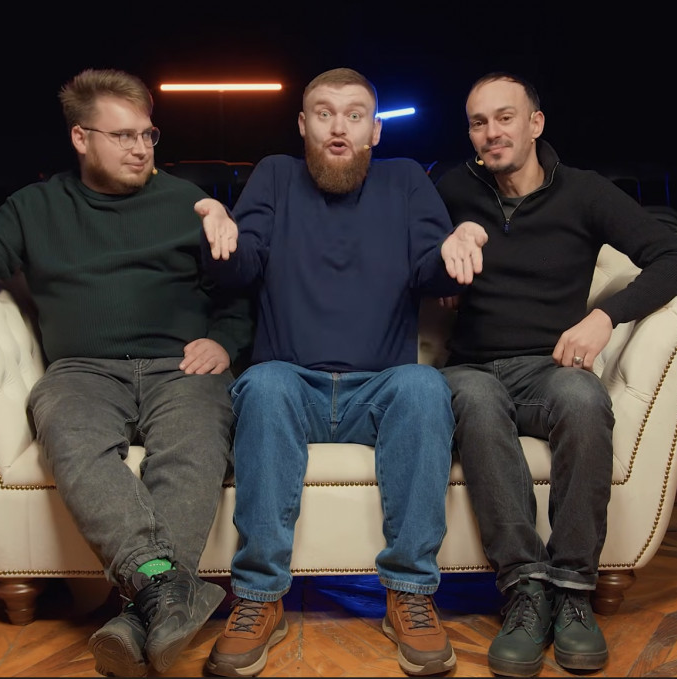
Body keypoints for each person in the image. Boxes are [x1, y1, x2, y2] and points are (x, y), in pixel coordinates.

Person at [0, 68, 253, 678]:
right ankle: (166, 591)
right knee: (68, 432)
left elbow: (237, 293)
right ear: (81, 138)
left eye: (148, 134)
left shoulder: (187, 203)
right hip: (83, 371)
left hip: (182, 365)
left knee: (194, 444)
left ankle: (142, 606)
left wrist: (223, 341)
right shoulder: (37, 206)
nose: (141, 148)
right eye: (123, 136)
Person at [195, 67, 488, 678]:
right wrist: (221, 235)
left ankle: (409, 594)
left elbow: (432, 269)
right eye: (324, 114)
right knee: (263, 383)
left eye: (355, 116)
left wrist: (455, 246)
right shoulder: (275, 175)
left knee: (424, 385)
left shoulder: (405, 181)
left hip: (379, 388)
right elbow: (241, 267)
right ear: (303, 125)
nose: (339, 127)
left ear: (374, 131)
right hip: (291, 385)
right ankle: (259, 597)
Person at [432, 72, 677, 677]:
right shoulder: (451, 188)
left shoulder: (584, 192)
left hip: (548, 366)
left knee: (583, 398)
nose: (491, 132)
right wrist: (438, 268)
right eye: (478, 122)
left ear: (536, 123)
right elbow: (407, 247)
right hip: (471, 367)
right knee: (474, 398)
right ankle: (524, 590)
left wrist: (606, 317)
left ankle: (575, 590)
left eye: (505, 117)